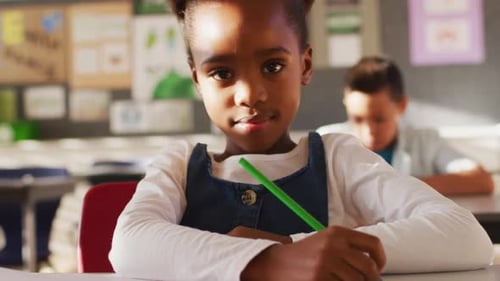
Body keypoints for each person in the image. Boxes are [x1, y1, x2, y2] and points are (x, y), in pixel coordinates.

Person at [109, 1, 493, 280]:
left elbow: (466, 237)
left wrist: (296, 246)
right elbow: (128, 246)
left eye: (273, 66)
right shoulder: (179, 165)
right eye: (222, 72)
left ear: (305, 65)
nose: (250, 94)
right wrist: (271, 259)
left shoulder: (337, 158)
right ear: (196, 80)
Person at [317, 55, 494, 196]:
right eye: (358, 119)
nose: (369, 132)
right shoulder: (326, 142)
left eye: (379, 119)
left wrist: (396, 187)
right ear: (346, 103)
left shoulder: (425, 141)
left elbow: (482, 180)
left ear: (401, 106)